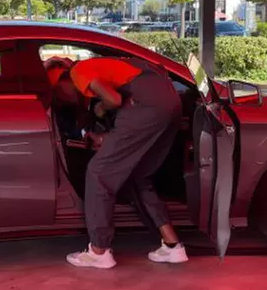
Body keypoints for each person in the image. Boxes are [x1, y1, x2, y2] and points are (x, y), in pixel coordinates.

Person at [48, 56, 188, 269]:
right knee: (138, 174)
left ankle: (98, 251)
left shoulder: (79, 71)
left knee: (98, 173)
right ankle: (172, 246)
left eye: (58, 93)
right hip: (169, 104)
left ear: (62, 82)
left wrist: (101, 109)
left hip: (146, 108)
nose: (63, 99)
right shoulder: (103, 65)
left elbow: (113, 100)